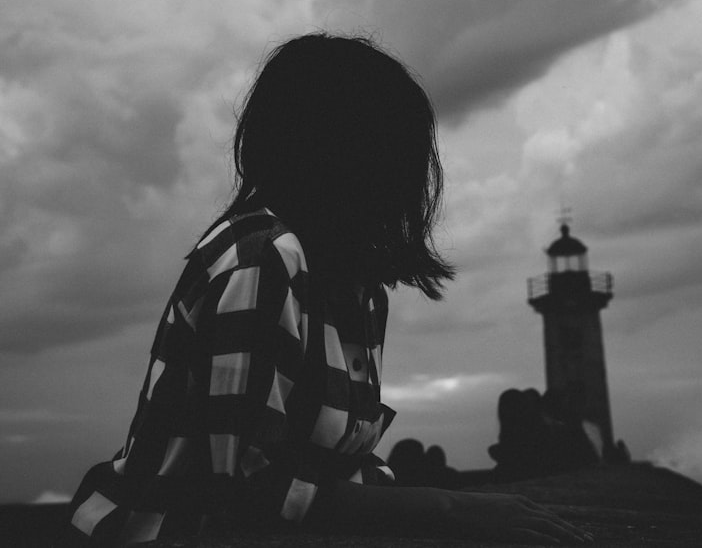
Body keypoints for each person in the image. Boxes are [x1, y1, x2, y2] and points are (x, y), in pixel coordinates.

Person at [56, 33, 590, 546]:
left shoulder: (351, 285)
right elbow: (244, 489)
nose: (413, 178)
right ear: (346, 153)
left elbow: (331, 468)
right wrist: (449, 507)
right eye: (399, 150)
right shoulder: (264, 259)